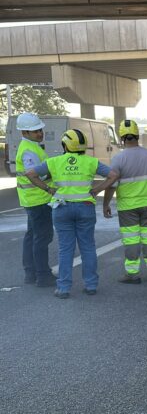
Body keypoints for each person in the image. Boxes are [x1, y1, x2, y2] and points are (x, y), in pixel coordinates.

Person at [25, 129, 113, 299]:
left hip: (62, 208)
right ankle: (91, 285)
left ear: (65, 145)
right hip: (85, 207)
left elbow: (31, 174)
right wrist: (96, 190)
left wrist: (49, 189)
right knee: (87, 247)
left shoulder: (54, 161)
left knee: (66, 249)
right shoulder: (91, 162)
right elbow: (113, 175)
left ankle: (64, 288)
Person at [93, 120, 147, 284]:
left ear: (122, 137)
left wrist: (105, 205)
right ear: (137, 135)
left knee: (131, 240)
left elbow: (111, 185)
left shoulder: (118, 159)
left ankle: (132, 275)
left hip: (127, 208)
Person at [14, 112, 57, 287]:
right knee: (42, 237)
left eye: (40, 130)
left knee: (32, 236)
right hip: (38, 200)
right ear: (24, 133)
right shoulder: (29, 150)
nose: (40, 133)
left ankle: (31, 273)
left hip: (32, 200)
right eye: (35, 131)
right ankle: (43, 276)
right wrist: (49, 188)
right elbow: (33, 175)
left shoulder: (31, 147)